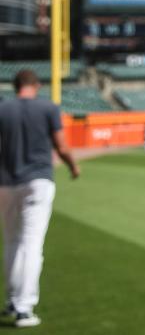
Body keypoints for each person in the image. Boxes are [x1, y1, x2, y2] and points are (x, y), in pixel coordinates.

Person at [0, 69, 80, 328]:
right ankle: (24, 307)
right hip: (38, 180)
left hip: (6, 182)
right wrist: (73, 166)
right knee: (32, 244)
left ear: (15, 86)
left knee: (12, 242)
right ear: (35, 85)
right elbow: (61, 145)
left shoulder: (3, 109)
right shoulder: (48, 107)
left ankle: (13, 300)